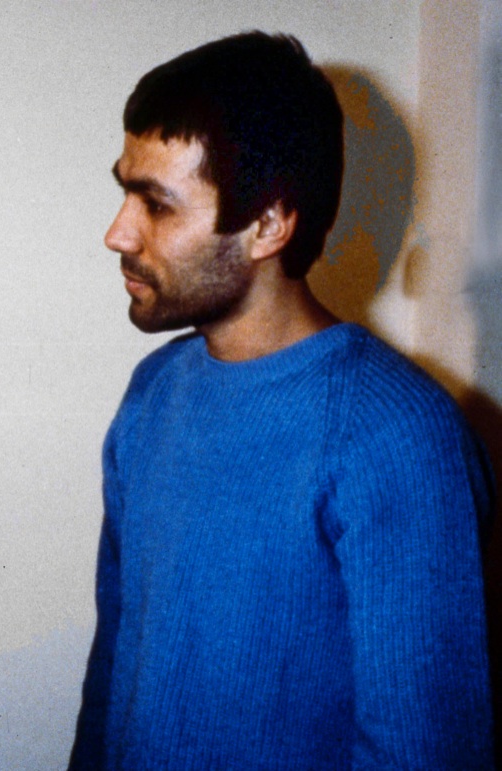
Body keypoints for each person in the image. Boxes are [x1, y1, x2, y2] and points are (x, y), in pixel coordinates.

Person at [69, 32, 493, 770]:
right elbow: (112, 674)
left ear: (268, 224)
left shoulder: (397, 435)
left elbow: (425, 749)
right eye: (124, 191)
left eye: (157, 205)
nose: (118, 233)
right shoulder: (154, 392)